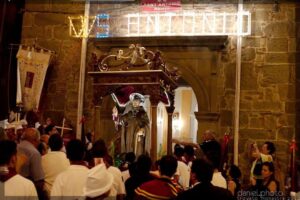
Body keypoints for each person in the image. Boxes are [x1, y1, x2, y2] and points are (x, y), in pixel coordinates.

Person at [17, 128, 45, 199]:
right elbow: (39, 181)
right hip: (27, 190)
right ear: (36, 140)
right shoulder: (34, 153)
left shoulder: (16, 147)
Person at [120, 93, 150, 158]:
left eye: (137, 101)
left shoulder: (143, 114)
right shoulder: (128, 114)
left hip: (138, 138)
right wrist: (122, 120)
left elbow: (147, 125)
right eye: (134, 100)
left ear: (140, 102)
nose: (135, 102)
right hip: (129, 137)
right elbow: (122, 122)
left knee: (138, 154)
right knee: (129, 153)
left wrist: (143, 130)